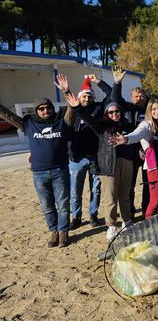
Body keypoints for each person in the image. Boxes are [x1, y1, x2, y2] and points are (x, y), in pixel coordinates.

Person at [0, 95, 73, 247]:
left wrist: (67, 92)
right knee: (47, 206)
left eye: (48, 107)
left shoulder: (61, 122)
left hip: (60, 170)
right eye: (41, 108)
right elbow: (8, 115)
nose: (45, 110)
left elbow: (71, 109)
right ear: (36, 111)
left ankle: (63, 232)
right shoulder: (29, 124)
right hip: (39, 173)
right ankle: (54, 231)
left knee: (63, 204)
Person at [65, 93, 136, 240]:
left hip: (127, 161)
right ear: (106, 114)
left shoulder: (128, 125)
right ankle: (111, 225)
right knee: (110, 196)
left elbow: (136, 139)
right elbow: (88, 118)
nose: (114, 114)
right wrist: (77, 106)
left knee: (125, 195)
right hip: (108, 164)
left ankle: (127, 221)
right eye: (110, 112)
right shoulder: (101, 126)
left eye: (117, 111)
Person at [56, 74, 113, 230]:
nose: (86, 99)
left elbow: (111, 95)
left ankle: (93, 215)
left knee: (95, 189)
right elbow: (56, 130)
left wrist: (98, 81)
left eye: (89, 96)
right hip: (76, 158)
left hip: (96, 156)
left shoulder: (98, 109)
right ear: (79, 98)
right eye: (84, 96)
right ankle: (77, 216)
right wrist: (66, 91)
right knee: (76, 190)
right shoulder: (70, 111)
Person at [109, 99, 158, 219]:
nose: (157, 111)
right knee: (155, 199)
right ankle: (147, 223)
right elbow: (137, 134)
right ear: (149, 111)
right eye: (154, 109)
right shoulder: (146, 125)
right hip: (154, 168)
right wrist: (126, 139)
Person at [110, 66, 150, 218]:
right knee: (130, 185)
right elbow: (115, 98)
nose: (139, 98)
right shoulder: (127, 108)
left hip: (147, 152)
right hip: (130, 152)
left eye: (141, 96)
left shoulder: (149, 110)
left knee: (147, 183)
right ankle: (130, 211)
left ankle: (147, 209)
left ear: (145, 97)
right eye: (136, 96)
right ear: (131, 97)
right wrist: (117, 83)